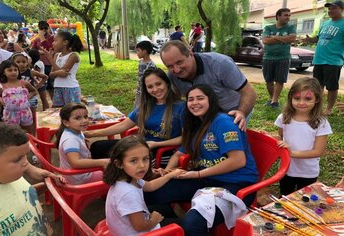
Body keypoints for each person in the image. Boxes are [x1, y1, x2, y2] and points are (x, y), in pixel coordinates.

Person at [144, 84, 259, 235]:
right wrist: (166, 172)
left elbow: (238, 160)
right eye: (190, 99)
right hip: (206, 180)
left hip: (236, 184)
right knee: (149, 193)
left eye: (200, 98)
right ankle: (175, 226)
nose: (194, 102)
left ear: (210, 100)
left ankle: (188, 228)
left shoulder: (223, 122)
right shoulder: (197, 125)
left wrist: (198, 174)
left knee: (193, 224)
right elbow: (179, 154)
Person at [85, 68, 184, 165]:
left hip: (163, 152)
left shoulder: (181, 107)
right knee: (97, 147)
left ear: (167, 83)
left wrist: (156, 144)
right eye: (150, 87)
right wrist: (91, 133)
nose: (155, 89)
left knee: (126, 162)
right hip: (141, 146)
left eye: (158, 84)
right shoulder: (147, 106)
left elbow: (186, 138)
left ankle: (125, 179)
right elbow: (122, 126)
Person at [0, 121, 65, 236]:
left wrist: (48, 186)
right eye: (17, 159)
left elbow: (20, 196)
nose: (26, 163)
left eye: (25, 155)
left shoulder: (11, 177)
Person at [160, 40, 257, 131]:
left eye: (179, 62)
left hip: (233, 110)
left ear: (190, 53)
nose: (176, 70)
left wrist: (241, 112)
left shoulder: (220, 64)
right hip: (204, 115)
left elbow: (249, 92)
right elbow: (174, 99)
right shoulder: (172, 76)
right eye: (170, 66)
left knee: (228, 140)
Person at [104, 135, 183, 236]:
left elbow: (150, 186)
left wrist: (170, 175)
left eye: (145, 159)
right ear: (119, 164)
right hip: (137, 232)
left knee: (166, 210)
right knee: (184, 226)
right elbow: (139, 226)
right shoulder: (128, 192)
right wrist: (154, 220)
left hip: (126, 227)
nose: (142, 165)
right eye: (134, 161)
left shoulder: (127, 178)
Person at [275, 77, 332, 196]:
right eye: (296, 98)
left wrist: (290, 153)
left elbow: (318, 151)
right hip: (286, 169)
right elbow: (280, 136)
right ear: (290, 98)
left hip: (308, 172)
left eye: (308, 98)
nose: (301, 103)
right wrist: (274, 140)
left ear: (317, 99)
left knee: (304, 202)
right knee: (285, 198)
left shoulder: (321, 122)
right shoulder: (284, 117)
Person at [302, 0, 344, 116]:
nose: (330, 11)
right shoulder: (325, 23)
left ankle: (329, 109)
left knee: (332, 87)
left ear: (341, 9)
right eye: (329, 9)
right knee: (317, 86)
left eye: (334, 8)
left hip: (333, 61)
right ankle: (317, 107)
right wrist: (310, 40)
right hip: (319, 59)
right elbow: (318, 38)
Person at [55, 103, 109, 185]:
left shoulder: (74, 131)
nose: (84, 120)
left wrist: (81, 140)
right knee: (117, 173)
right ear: (66, 122)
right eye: (77, 118)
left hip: (74, 175)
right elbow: (75, 163)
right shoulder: (71, 140)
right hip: (80, 178)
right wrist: (103, 162)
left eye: (85, 117)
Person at [262, 8, 296, 108]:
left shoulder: (290, 27)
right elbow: (265, 41)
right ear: (278, 16)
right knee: (268, 81)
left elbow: (292, 38)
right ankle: (272, 99)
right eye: (286, 15)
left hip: (283, 58)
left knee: (279, 80)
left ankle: (274, 101)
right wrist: (284, 40)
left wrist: (274, 38)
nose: (288, 17)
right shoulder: (268, 27)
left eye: (289, 15)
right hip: (268, 58)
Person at [43, 31, 83, 107]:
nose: (53, 43)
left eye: (55, 40)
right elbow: (51, 75)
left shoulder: (73, 56)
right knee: (57, 111)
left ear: (65, 42)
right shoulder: (57, 55)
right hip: (58, 87)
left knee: (72, 111)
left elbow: (63, 74)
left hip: (70, 88)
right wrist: (58, 72)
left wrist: (50, 59)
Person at [11, 52, 48, 135]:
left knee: (32, 119)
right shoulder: (13, 73)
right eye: (18, 62)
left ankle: (33, 137)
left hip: (30, 98)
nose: (21, 64)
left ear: (27, 62)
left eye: (23, 62)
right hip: (18, 100)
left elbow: (45, 77)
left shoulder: (30, 72)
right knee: (20, 120)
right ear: (13, 62)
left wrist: (37, 87)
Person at [0, 60, 37, 134]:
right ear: (3, 72)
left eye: (15, 70)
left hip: (25, 112)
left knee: (28, 133)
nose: (13, 72)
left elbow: (34, 91)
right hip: (10, 114)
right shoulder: (1, 85)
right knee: (12, 134)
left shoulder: (23, 83)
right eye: (9, 70)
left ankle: (30, 144)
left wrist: (28, 97)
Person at [32, 21, 54, 100]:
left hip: (49, 64)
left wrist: (43, 38)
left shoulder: (52, 38)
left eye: (45, 28)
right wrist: (40, 52)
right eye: (41, 28)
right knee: (42, 86)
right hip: (40, 65)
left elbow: (50, 49)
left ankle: (53, 101)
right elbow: (33, 51)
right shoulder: (37, 39)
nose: (44, 30)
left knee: (51, 86)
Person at [134, 41, 156, 107]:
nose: (136, 53)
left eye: (138, 50)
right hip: (139, 91)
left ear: (144, 51)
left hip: (146, 93)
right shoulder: (140, 62)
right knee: (137, 109)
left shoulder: (151, 66)